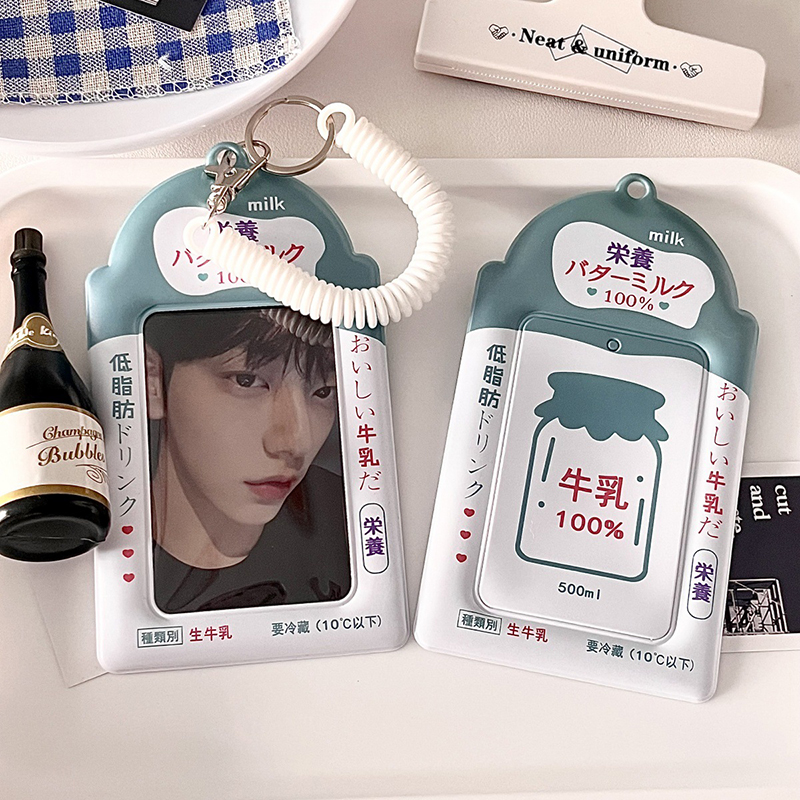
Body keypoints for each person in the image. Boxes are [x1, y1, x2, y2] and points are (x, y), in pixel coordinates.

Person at [143, 306, 351, 613]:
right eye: (246, 380)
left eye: (323, 392)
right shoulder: (108, 535)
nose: (296, 443)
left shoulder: (349, 516)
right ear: (152, 381)